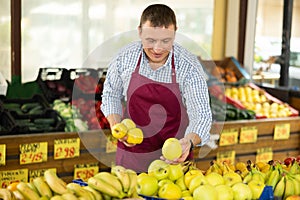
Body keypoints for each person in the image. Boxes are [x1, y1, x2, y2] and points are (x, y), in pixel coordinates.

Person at [101, 3, 212, 173]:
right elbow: (110, 95)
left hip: (175, 161)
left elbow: (201, 114)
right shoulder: (125, 57)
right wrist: (118, 128)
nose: (158, 49)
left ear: (175, 33)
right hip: (132, 157)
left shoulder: (188, 66)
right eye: (150, 40)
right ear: (140, 32)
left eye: (166, 41)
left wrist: (189, 142)